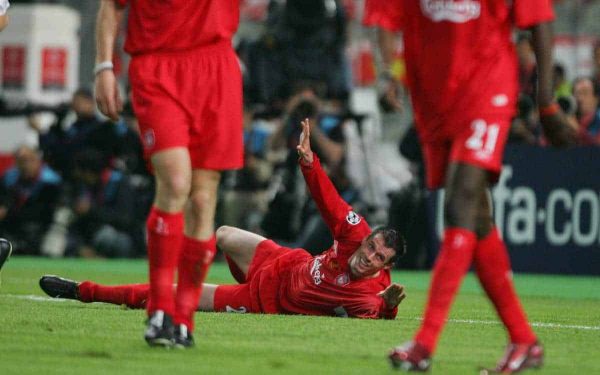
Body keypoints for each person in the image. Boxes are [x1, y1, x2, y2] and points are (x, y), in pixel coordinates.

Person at [364, 0, 576, 372]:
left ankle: (424, 344)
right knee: (476, 217)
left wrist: (546, 105)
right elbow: (384, 19)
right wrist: (388, 75)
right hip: (433, 101)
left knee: (459, 206)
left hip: (486, 89)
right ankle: (524, 341)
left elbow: (538, 20)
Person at [40, 119, 406, 323]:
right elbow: (329, 201)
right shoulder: (355, 233)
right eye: (371, 246)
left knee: (173, 294)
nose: (367, 255)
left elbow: (376, 315)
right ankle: (236, 277)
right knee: (223, 234)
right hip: (283, 261)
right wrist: (309, 163)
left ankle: (84, 291)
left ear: (386, 267)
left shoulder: (370, 297)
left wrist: (389, 307)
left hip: (265, 299)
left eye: (377, 258)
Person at [94, 0, 244, 347]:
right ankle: (160, 309)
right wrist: (104, 66)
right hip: (156, 66)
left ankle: (183, 318)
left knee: (203, 197)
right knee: (176, 182)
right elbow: (112, 6)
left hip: (216, 66)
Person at [0, 146, 62, 254]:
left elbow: (45, 212)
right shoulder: (9, 178)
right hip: (12, 222)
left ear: (38, 161)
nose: (26, 165)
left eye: (30, 160)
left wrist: (8, 212)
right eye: (21, 161)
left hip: (41, 224)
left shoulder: (50, 181)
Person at [572, 77, 600, 145]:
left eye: (585, 93)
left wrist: (578, 130)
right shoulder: (569, 118)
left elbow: (596, 147)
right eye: (577, 94)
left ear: (596, 98)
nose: (579, 98)